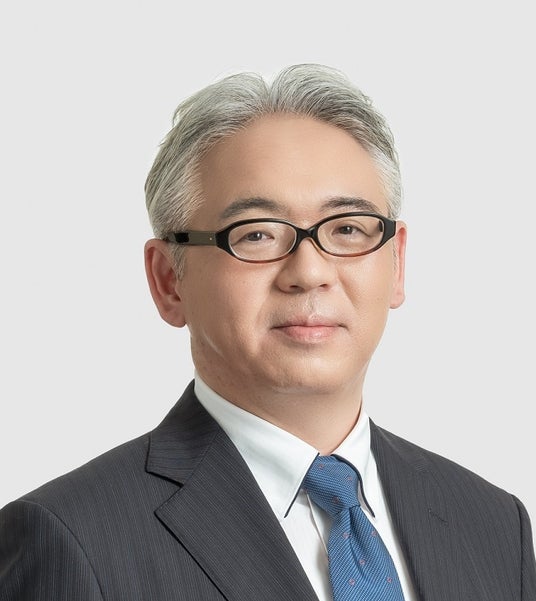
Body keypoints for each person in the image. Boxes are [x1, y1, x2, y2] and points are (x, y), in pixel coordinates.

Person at [0, 64, 534, 601]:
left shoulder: (494, 525)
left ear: (396, 263)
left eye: (348, 228)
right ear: (168, 281)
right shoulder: (72, 540)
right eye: (255, 234)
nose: (310, 272)